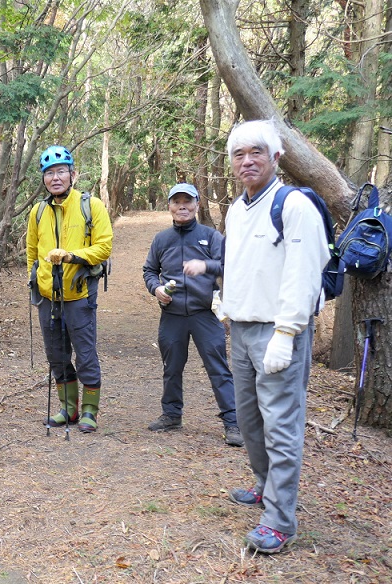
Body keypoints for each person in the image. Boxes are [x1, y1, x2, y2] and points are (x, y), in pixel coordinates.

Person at [222, 120, 330, 554]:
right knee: (250, 420)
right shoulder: (237, 208)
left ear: (276, 157)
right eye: (239, 154)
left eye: (257, 152)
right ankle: (264, 485)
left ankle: (280, 519)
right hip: (242, 329)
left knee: (281, 424)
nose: (247, 161)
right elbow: (241, 263)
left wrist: (286, 333)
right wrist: (225, 302)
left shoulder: (294, 205)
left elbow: (304, 273)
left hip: (278, 330)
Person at [142, 183, 243, 447]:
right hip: (172, 314)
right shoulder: (162, 239)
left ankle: (233, 423)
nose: (182, 206)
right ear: (169, 207)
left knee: (218, 369)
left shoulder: (210, 236)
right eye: (177, 202)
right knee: (171, 367)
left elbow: (229, 265)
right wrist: (156, 289)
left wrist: (204, 265)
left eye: (188, 201)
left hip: (205, 314)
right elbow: (149, 271)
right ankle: (171, 415)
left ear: (197, 204)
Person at [26, 146, 113, 433]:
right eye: (49, 173)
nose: (55, 178)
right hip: (48, 297)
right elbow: (32, 251)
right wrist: (35, 279)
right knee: (56, 355)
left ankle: (89, 410)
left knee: (85, 354)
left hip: (79, 295)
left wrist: (72, 257)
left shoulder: (92, 206)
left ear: (72, 174)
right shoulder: (38, 212)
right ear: (43, 179)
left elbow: (104, 247)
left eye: (61, 171)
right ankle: (68, 408)